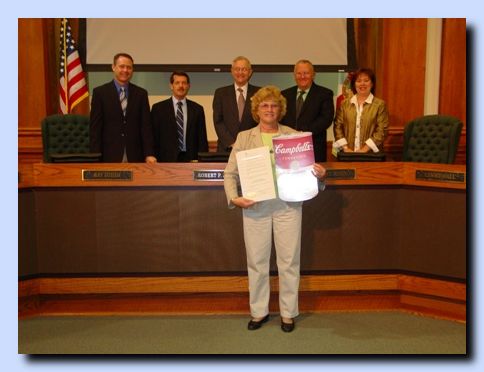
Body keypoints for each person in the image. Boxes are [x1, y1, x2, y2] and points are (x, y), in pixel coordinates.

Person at [224, 86, 326, 333]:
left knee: (289, 261)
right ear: (256, 110)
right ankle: (258, 312)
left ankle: (288, 313)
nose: (270, 110)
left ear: (281, 110)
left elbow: (308, 173)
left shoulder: (295, 136)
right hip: (255, 206)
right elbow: (230, 173)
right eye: (265, 105)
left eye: (274, 105)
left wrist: (320, 175)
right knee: (257, 262)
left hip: (288, 206)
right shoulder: (245, 137)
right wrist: (234, 198)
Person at [90, 53, 156, 163]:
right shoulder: (100, 93)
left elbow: (146, 127)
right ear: (113, 67)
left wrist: (149, 154)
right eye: (122, 66)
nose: (125, 70)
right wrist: (94, 156)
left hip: (135, 155)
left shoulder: (141, 94)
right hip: (108, 155)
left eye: (129, 67)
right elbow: (95, 129)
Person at [280, 59, 335, 162]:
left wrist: (303, 133)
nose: (302, 76)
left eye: (306, 73)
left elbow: (326, 119)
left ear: (313, 75)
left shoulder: (325, 94)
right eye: (299, 73)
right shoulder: (284, 94)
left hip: (313, 147)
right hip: (288, 148)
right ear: (294, 75)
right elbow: (280, 118)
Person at [151, 72, 208, 162]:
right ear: (171, 86)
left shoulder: (197, 109)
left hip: (191, 159)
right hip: (165, 160)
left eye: (184, 83)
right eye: (177, 83)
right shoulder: (158, 109)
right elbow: (153, 136)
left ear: (188, 86)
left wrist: (202, 159)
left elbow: (202, 139)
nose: (181, 86)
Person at [333, 68, 389, 153]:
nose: (362, 84)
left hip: (371, 155)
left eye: (366, 80)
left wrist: (364, 150)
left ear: (372, 83)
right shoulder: (344, 104)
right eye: (358, 81)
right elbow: (338, 126)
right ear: (354, 84)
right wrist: (346, 148)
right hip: (347, 153)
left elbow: (382, 130)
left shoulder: (380, 105)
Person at [213, 56, 260, 153]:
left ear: (250, 72)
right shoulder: (220, 93)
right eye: (237, 69)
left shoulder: (259, 93)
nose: (240, 72)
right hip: (227, 148)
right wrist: (232, 143)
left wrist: (249, 143)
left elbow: (262, 120)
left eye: (244, 69)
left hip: (252, 148)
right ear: (232, 71)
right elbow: (218, 121)